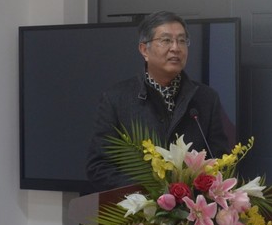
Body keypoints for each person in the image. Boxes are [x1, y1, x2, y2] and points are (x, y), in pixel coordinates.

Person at [86, 11, 231, 192]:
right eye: (166, 40)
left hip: (191, 206)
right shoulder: (116, 99)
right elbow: (98, 167)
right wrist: (150, 195)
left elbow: (221, 162)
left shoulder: (206, 99)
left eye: (182, 40)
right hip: (137, 206)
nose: (175, 48)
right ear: (144, 50)